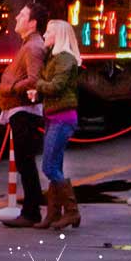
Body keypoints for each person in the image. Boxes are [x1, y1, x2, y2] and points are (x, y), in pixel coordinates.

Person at [27, 19, 82, 229]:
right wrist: (39, 90)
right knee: (55, 165)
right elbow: (50, 86)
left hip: (62, 118)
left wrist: (38, 85)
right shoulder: (54, 58)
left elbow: (57, 86)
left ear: (58, 36)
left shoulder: (65, 59)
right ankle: (53, 214)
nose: (44, 36)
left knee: (49, 166)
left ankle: (71, 211)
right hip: (53, 116)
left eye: (48, 32)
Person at [0, 2, 48, 228]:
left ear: (33, 23)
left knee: (24, 160)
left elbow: (34, 79)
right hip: (20, 110)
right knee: (24, 160)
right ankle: (33, 205)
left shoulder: (32, 47)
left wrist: (11, 87)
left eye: (23, 15)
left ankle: (31, 211)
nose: (17, 16)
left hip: (23, 111)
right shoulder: (29, 45)